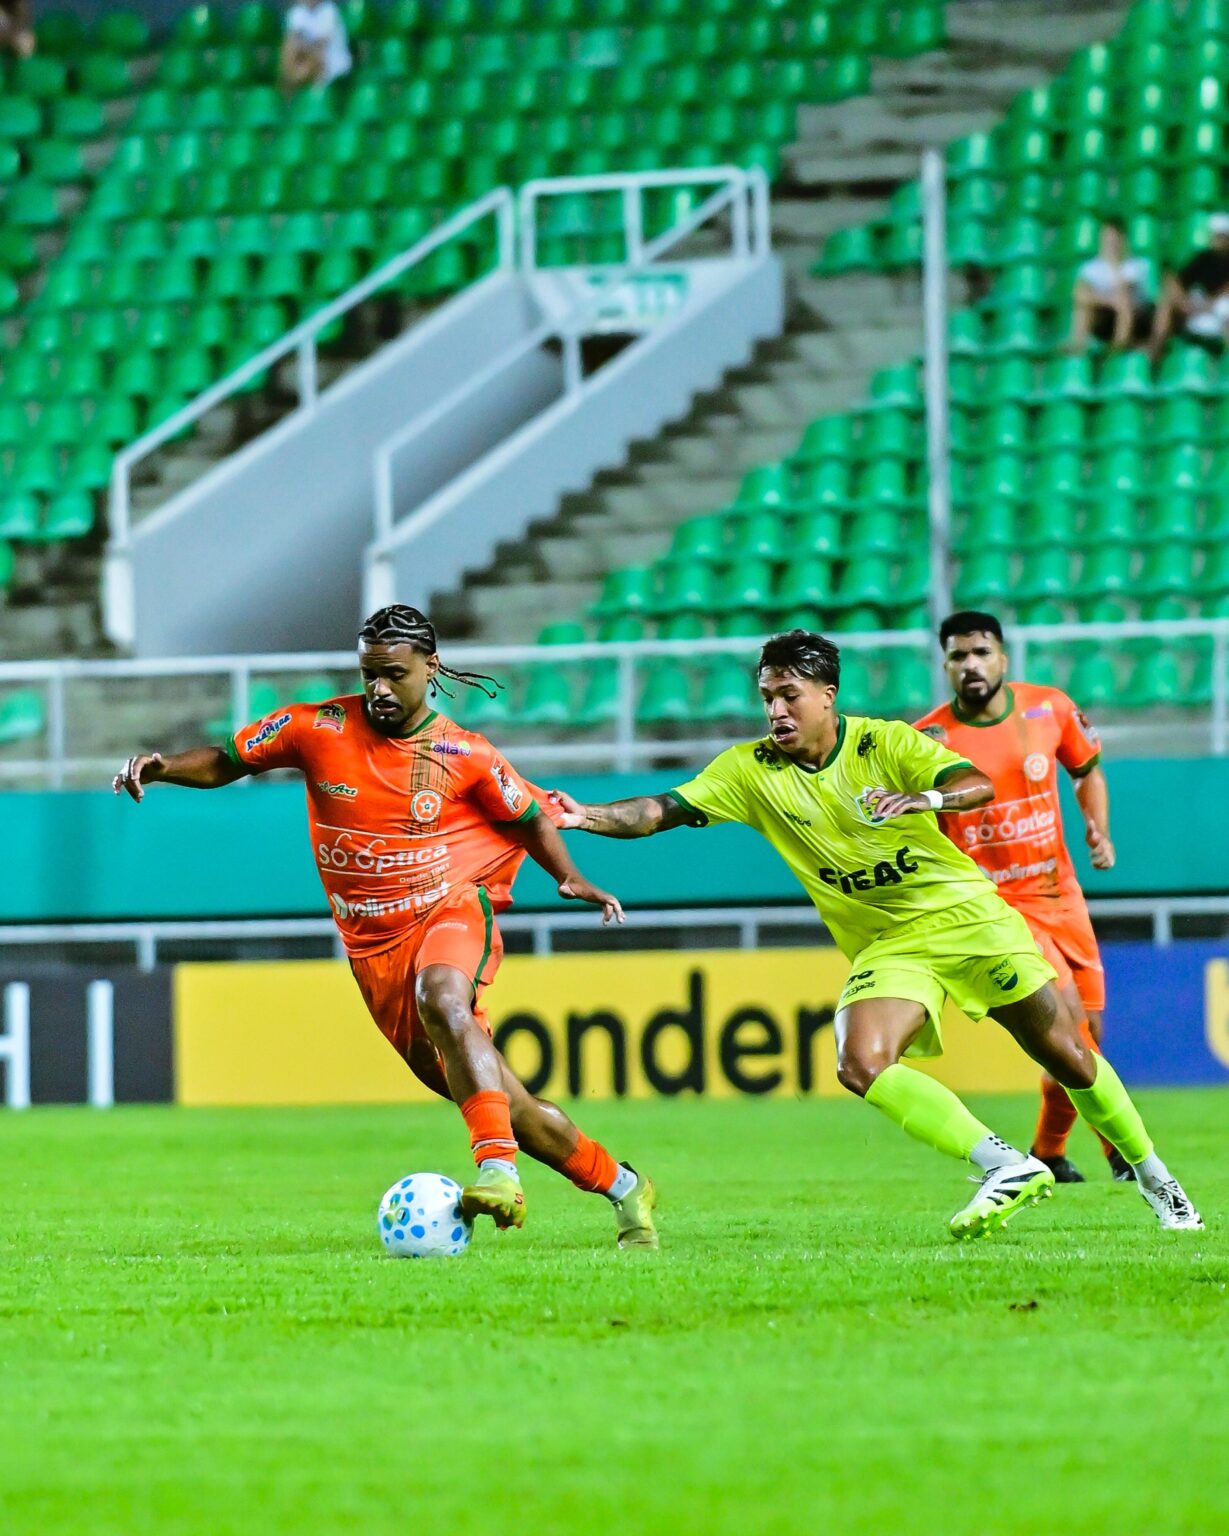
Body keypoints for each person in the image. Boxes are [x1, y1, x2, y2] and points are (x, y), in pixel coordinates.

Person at [549, 629, 1203, 1239]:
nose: (775, 711)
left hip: (965, 915)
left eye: (788, 696)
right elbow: (661, 809)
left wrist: (927, 801)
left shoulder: (883, 744)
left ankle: (1158, 1182)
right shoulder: (748, 771)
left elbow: (972, 783)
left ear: (826, 695)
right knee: (858, 1062)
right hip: (890, 943)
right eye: (766, 697)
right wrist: (588, 816)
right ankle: (1006, 1164)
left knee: (1066, 1053)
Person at [113, 604, 658, 1250]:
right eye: (368, 673)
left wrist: (566, 874)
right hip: (373, 950)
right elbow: (229, 758)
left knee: (443, 995)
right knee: (516, 1111)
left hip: (452, 909)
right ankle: (625, 1189)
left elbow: (528, 817)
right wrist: (163, 767)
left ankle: (496, 1169)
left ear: (430, 668)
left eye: (393, 674)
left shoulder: (467, 753)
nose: (378, 688)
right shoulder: (316, 727)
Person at [915, 611, 1130, 1185]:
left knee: (1089, 1034)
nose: (971, 665)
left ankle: (1049, 1152)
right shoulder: (927, 740)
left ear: (1003, 659)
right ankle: (1120, 1151)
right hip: (999, 909)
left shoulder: (1049, 709)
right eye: (959, 656)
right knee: (1072, 1029)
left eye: (981, 653)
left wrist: (1097, 828)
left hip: (1062, 896)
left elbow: (1087, 770)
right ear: (945, 665)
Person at [1068, 217, 1154, 351]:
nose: (1110, 242)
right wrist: (1107, 300)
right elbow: (1079, 295)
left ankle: (1117, 349)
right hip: (1106, 314)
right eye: (1107, 238)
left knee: (1124, 303)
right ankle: (1078, 347)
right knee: (1083, 308)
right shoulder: (1091, 268)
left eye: (1114, 238)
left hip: (1137, 319)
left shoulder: (1135, 266)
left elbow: (1124, 292)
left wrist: (1115, 266)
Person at [1150, 212, 1229, 359]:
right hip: (1196, 309)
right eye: (1216, 235)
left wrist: (1208, 305)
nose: (1218, 240)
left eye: (1222, 236)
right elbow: (1173, 280)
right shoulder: (1203, 258)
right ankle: (1155, 354)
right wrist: (1184, 302)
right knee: (1166, 302)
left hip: (1220, 309)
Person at [280, 0, 351, 91]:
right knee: (290, 46)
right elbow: (292, 41)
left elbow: (321, 45)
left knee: (315, 54)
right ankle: (291, 80)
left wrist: (302, 45)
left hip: (333, 65)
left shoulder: (329, 10)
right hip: (305, 63)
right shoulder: (296, 12)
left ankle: (294, 80)